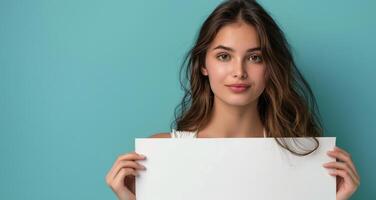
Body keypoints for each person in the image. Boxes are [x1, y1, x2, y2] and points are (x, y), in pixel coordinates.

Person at [105, 0, 360, 199]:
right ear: (203, 65)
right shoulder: (159, 155)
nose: (239, 71)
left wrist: (332, 198)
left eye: (255, 57)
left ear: (271, 67)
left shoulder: (308, 159)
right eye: (224, 56)